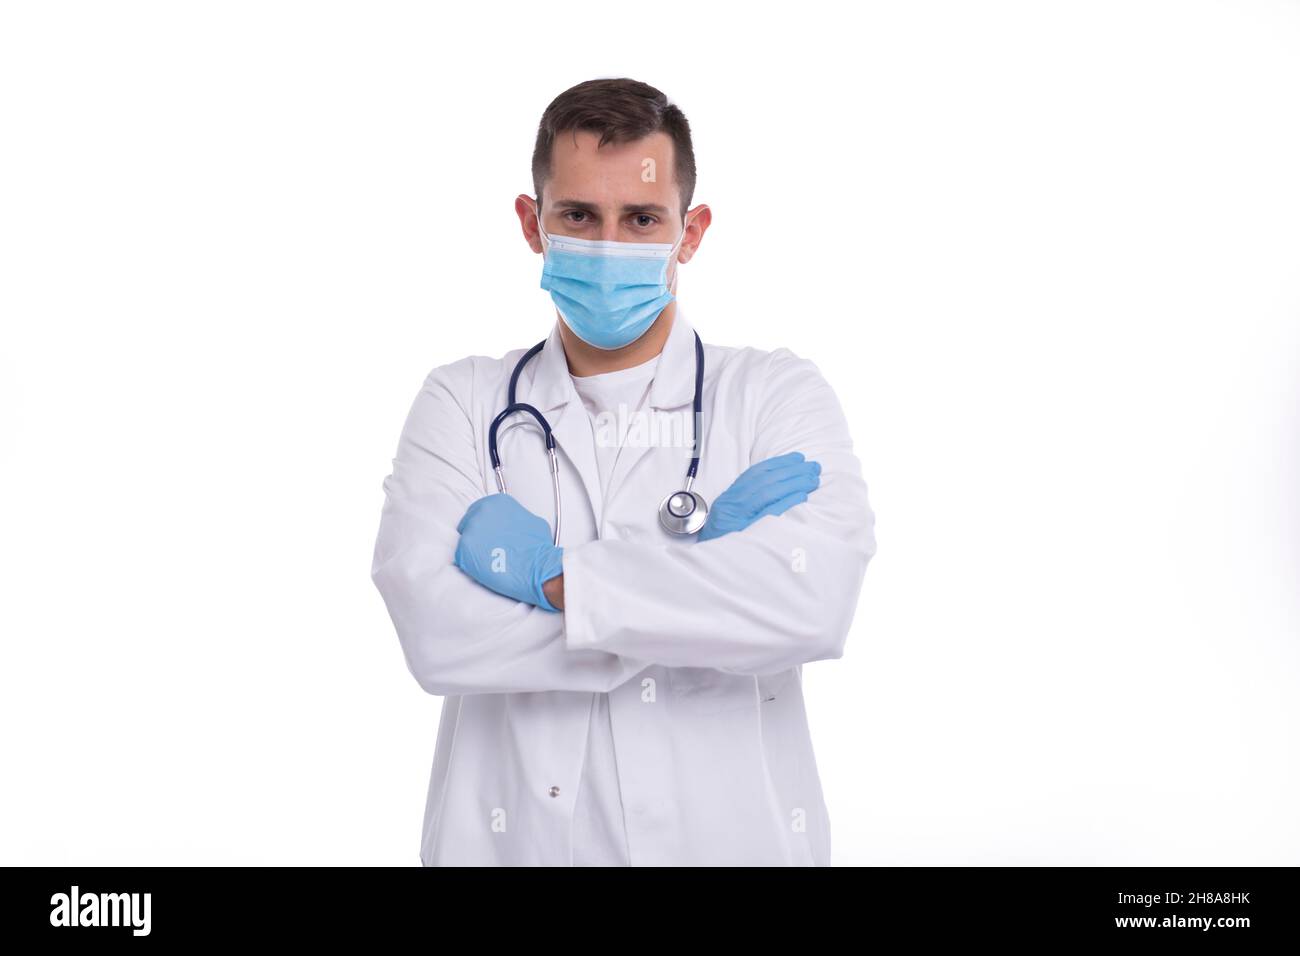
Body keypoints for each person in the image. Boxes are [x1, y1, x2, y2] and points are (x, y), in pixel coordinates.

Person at [370, 77, 877, 866]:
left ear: (692, 230)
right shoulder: (460, 403)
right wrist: (705, 585)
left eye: (641, 218)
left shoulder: (776, 395)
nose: (609, 245)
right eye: (579, 216)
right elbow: (438, 638)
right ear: (532, 224)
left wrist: (546, 578)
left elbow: (813, 606)